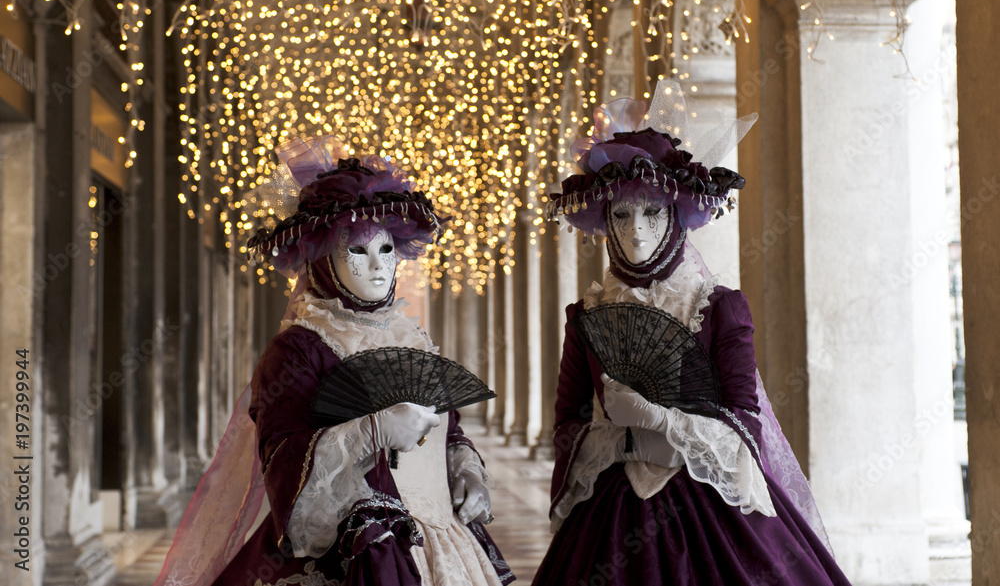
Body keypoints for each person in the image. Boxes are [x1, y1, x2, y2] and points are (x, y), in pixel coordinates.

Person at [531, 81, 852, 585]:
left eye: (653, 211)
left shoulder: (719, 309)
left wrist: (660, 421)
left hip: (710, 512)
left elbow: (745, 423)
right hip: (611, 514)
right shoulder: (586, 315)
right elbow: (567, 423)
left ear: (677, 215)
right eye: (622, 213)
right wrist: (616, 443)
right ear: (605, 221)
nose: (637, 229)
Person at [154, 137, 514, 586]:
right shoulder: (299, 349)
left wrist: (467, 472)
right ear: (324, 258)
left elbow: (450, 429)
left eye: (385, 250)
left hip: (448, 545)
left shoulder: (413, 337)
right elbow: (282, 458)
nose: (377, 266)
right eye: (356, 252)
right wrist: (371, 431)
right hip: (357, 551)